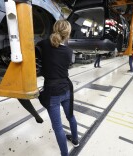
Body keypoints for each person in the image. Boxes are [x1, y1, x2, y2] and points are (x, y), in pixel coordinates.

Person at [36, 20, 79, 156]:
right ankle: (76, 140)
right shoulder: (69, 51)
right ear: (68, 34)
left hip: (52, 92)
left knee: (58, 127)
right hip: (66, 89)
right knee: (71, 116)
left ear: (54, 29)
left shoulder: (43, 44)